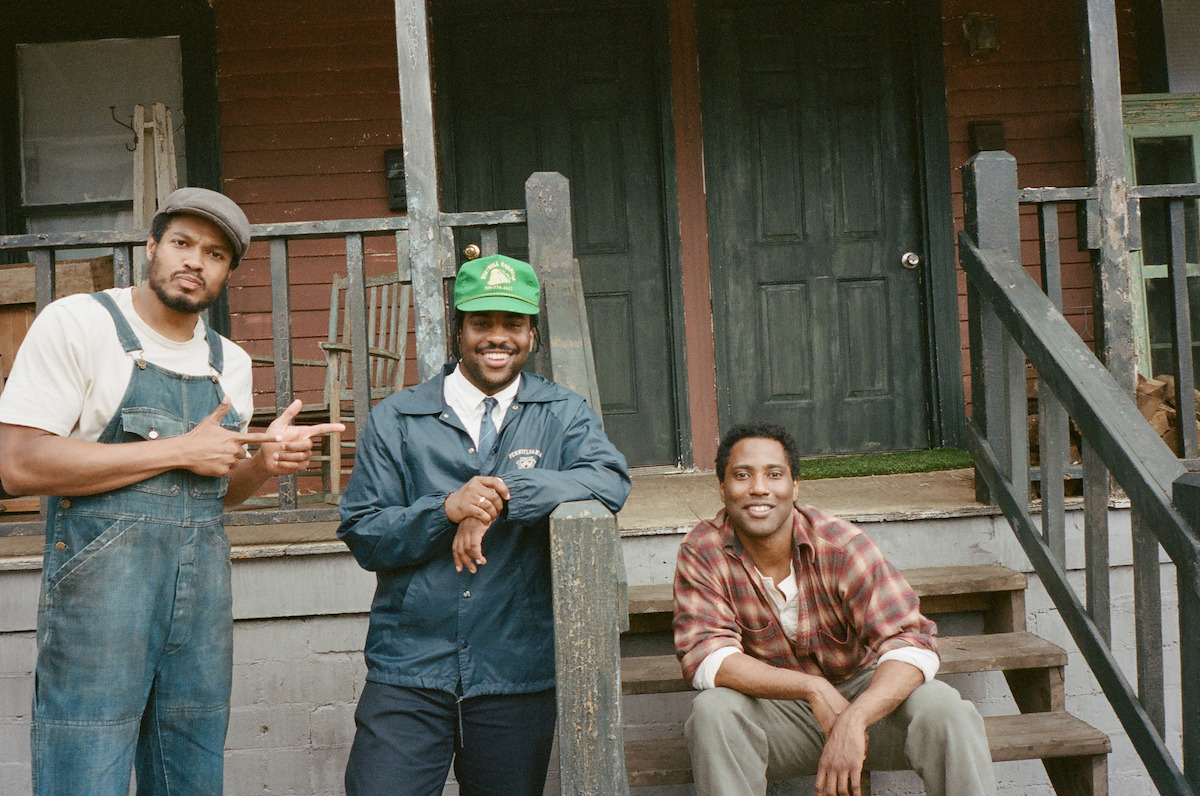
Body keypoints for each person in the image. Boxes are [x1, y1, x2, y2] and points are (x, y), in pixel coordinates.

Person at [0, 187, 343, 796]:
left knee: (190, 770)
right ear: (152, 246)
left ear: (228, 272)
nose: (195, 261)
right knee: (86, 766)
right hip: (100, 597)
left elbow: (218, 492)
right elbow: (19, 464)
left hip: (200, 600)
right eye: (182, 243)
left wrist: (264, 463)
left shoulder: (228, 362)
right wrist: (180, 449)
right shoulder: (80, 323)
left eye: (215, 253)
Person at [337, 253, 631, 796]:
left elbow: (609, 479)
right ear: (458, 331)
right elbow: (365, 532)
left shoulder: (563, 413)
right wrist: (446, 509)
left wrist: (499, 496)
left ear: (532, 334)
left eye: (513, 324)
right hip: (410, 667)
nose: (498, 338)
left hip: (514, 667)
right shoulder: (397, 418)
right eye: (482, 323)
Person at [673, 421, 996, 796]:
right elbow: (708, 658)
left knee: (946, 708)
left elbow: (912, 643)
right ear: (722, 487)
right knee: (713, 712)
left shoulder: (841, 545)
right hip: (779, 715)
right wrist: (812, 688)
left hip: (869, 707)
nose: (759, 488)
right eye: (742, 475)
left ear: (794, 486)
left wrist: (855, 719)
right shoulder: (704, 551)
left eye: (774, 475)